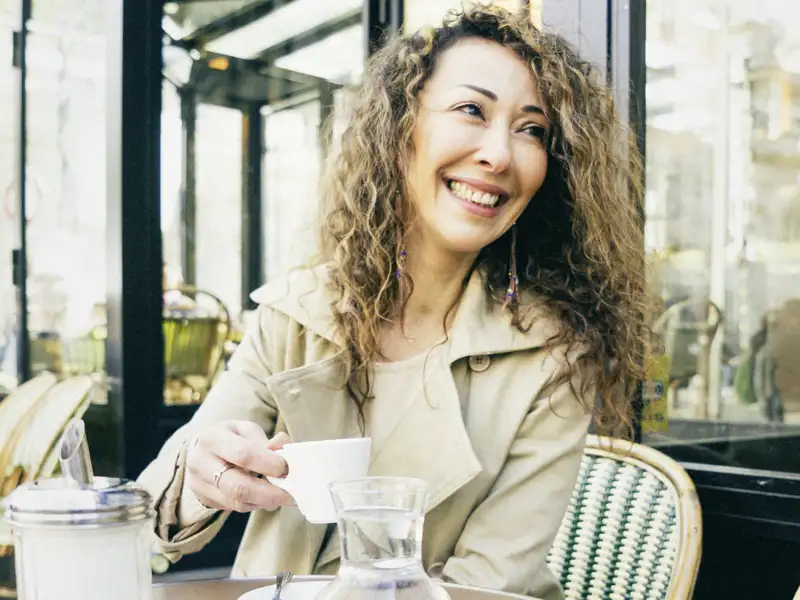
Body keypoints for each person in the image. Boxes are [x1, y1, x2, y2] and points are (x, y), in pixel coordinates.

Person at [137, 5, 647, 600]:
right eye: (471, 111)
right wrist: (206, 475)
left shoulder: (554, 354)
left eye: (532, 129)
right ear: (400, 128)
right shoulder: (297, 313)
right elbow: (154, 521)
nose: (500, 154)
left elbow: (488, 585)